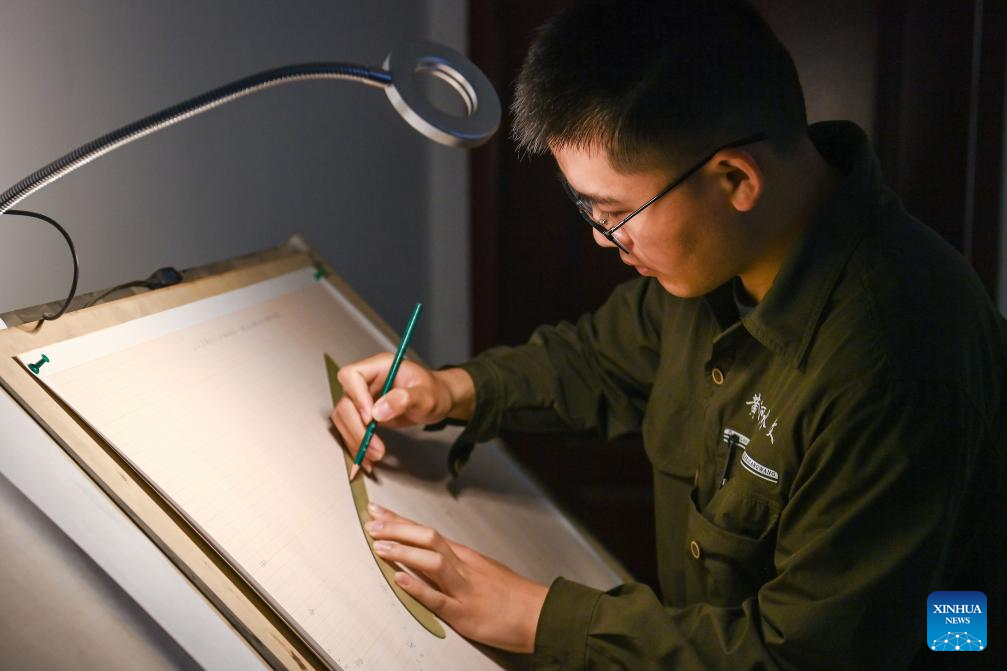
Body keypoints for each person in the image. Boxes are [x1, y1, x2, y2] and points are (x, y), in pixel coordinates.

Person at [331, 0, 1007, 668]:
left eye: (616, 213)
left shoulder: (897, 363)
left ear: (734, 178)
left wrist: (537, 617)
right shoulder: (726, 255)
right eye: (587, 208)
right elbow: (600, 360)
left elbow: (802, 654)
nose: (602, 239)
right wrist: (451, 389)